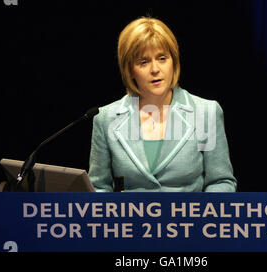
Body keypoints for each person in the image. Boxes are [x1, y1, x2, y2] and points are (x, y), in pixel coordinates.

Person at [88, 16, 237, 192]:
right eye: (143, 62)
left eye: (162, 58)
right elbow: (98, 188)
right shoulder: (106, 119)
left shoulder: (206, 113)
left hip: (187, 218)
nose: (155, 69)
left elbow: (220, 182)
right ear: (129, 70)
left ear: (173, 61)